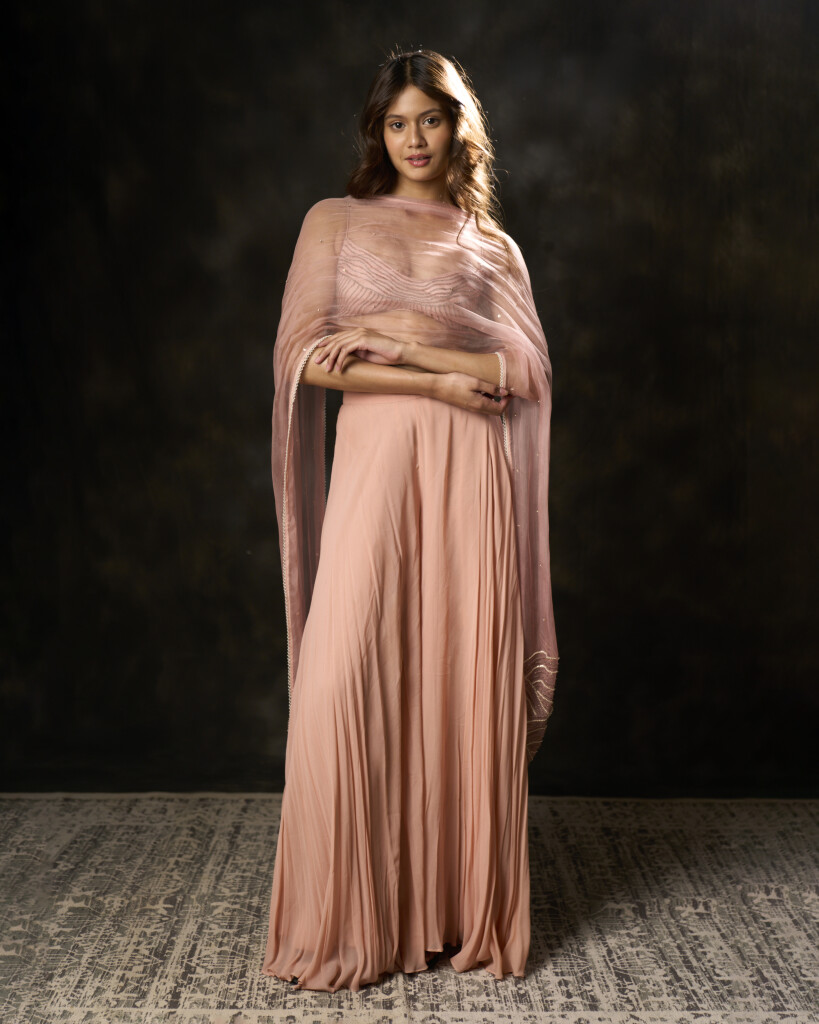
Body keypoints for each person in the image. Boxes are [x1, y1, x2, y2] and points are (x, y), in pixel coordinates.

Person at [262, 48, 559, 993]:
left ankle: (450, 914)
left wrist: (405, 349)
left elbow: (525, 373)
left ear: (456, 128)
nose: (414, 139)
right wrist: (432, 376)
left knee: (455, 672)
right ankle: (357, 917)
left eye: (429, 119)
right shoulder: (333, 222)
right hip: (378, 463)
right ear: (377, 133)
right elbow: (307, 360)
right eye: (396, 123)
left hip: (469, 470)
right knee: (343, 677)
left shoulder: (489, 245)